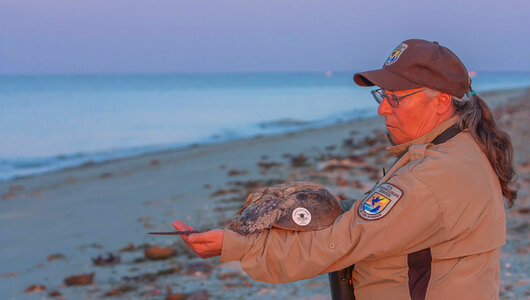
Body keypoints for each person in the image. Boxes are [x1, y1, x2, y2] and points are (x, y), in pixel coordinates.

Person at [172, 39, 517, 299]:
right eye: (382, 94)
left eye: (396, 98)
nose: (383, 109)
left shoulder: (430, 177)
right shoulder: (463, 148)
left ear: (441, 100)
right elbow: (403, 224)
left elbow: (339, 245)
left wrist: (235, 246)